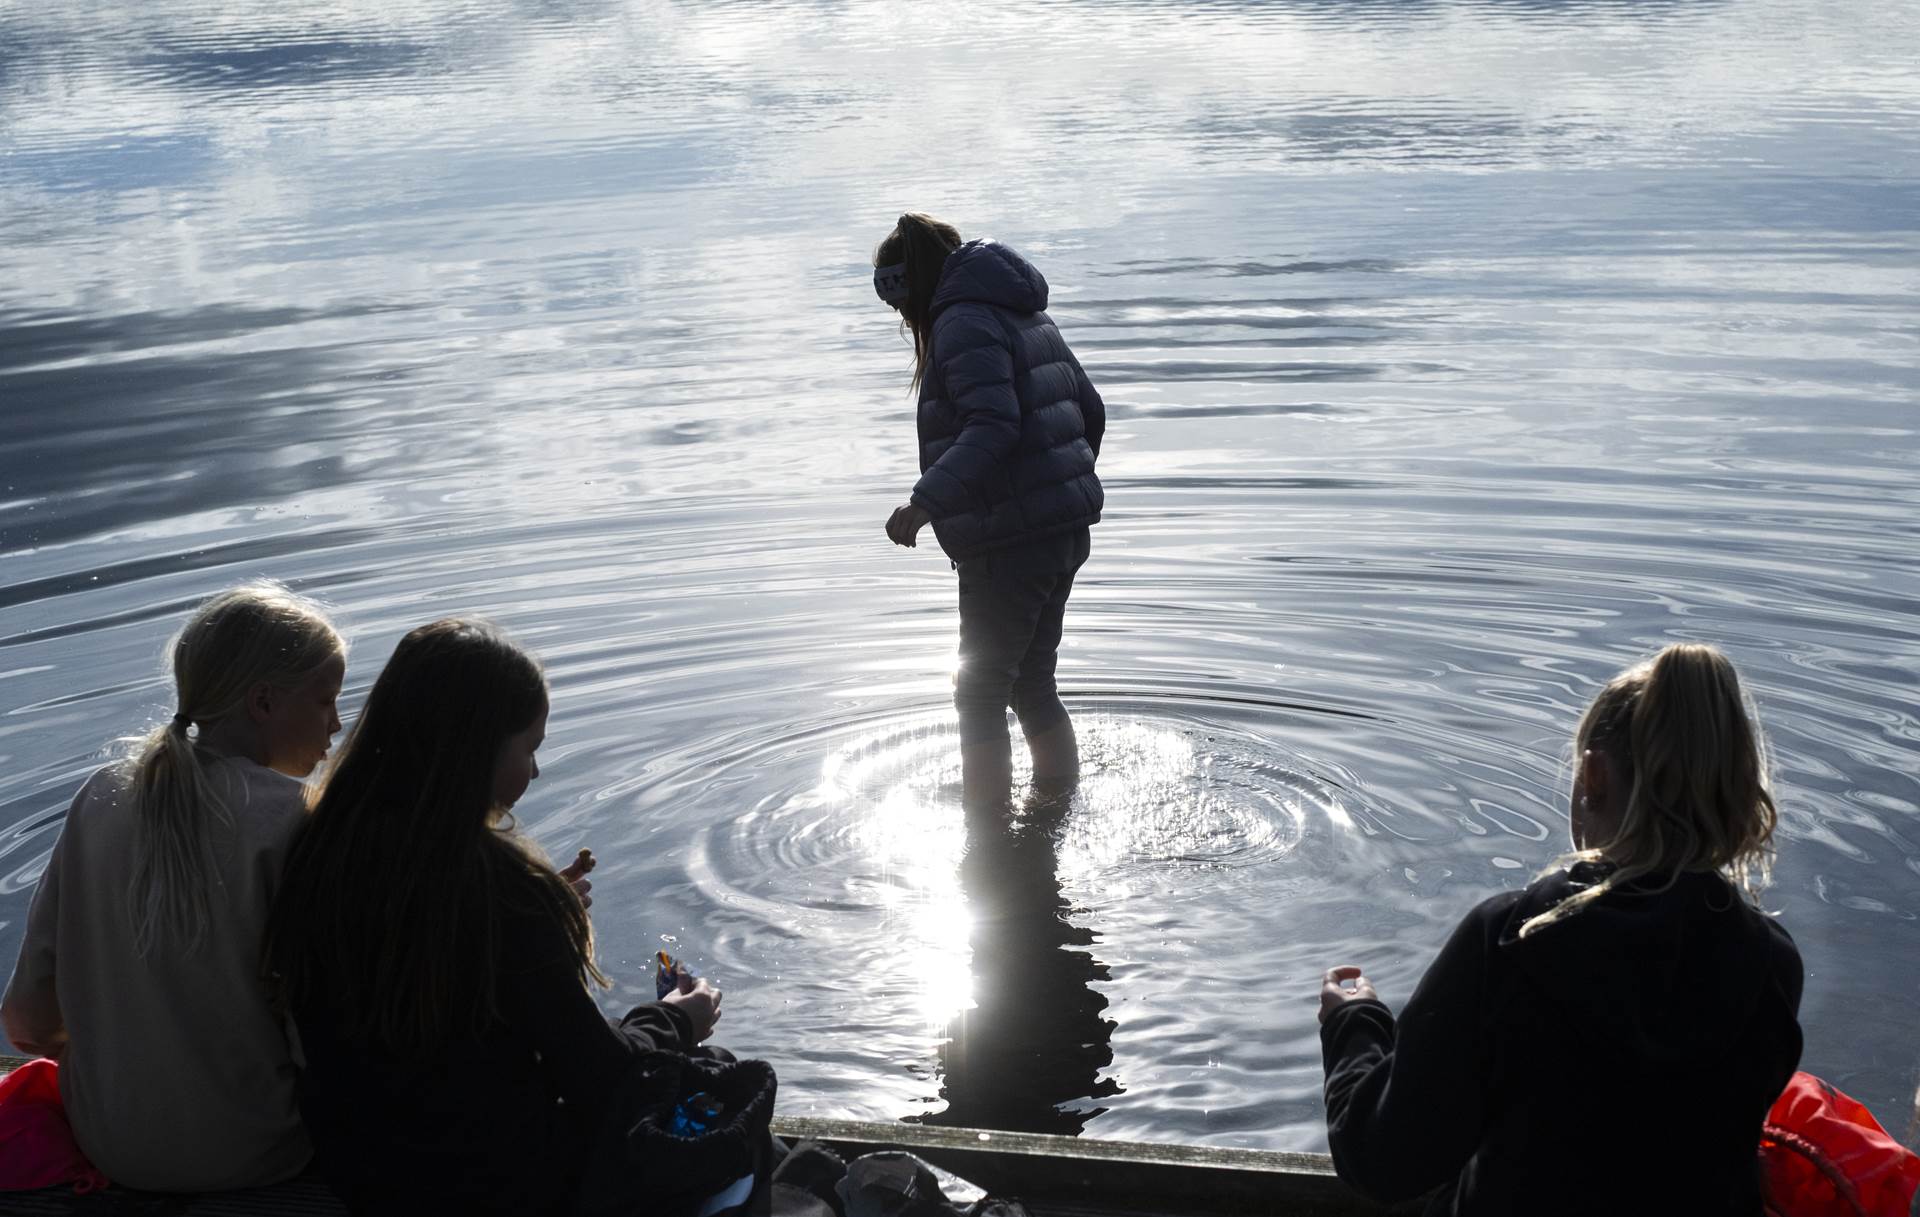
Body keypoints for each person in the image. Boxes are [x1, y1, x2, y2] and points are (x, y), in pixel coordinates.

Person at [1317, 643, 1804, 1215]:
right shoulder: (1770, 963)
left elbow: (1385, 1162)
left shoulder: (1511, 938)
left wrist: (1353, 1024)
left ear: (1594, 774)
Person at [263, 618, 727, 1217]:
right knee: (716, 1077)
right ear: (473, 749)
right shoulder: (501, 891)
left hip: (365, 1175)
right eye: (529, 747)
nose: (534, 772)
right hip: (495, 1187)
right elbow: (603, 1080)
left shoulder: (321, 851)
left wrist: (541, 912)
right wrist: (675, 1022)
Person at [1, 582, 346, 1190]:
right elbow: (325, 1032)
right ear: (263, 702)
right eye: (325, 701)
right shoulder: (294, 820)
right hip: (258, 1149)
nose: (337, 725)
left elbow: (27, 1020)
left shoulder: (100, 797)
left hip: (108, 1141)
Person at [873, 212, 1105, 810]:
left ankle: (989, 831)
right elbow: (1090, 408)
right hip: (1062, 530)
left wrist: (926, 503)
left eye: (896, 301)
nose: (901, 319)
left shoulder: (960, 322)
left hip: (1010, 542)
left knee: (977, 693)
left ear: (912, 284)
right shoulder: (1020, 308)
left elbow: (992, 425)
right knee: (1031, 683)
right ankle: (1055, 805)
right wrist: (1059, 488)